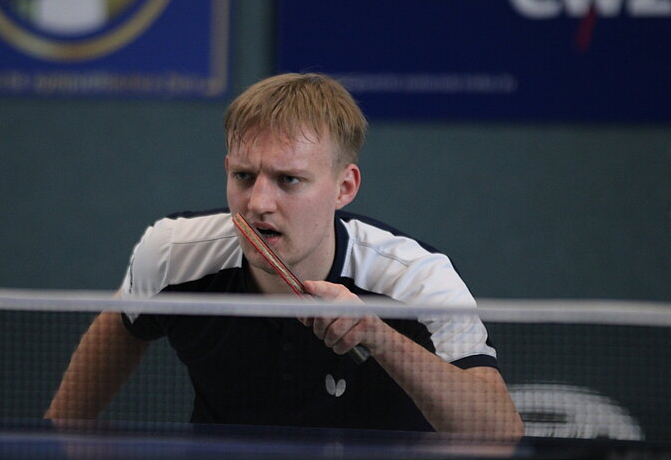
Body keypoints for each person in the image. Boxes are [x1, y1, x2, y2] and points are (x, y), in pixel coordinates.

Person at [46, 73, 524, 437]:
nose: (258, 203)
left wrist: (379, 336)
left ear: (344, 187)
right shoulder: (173, 255)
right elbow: (117, 332)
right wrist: (62, 449)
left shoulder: (416, 280)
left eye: (288, 180)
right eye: (243, 176)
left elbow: (500, 435)